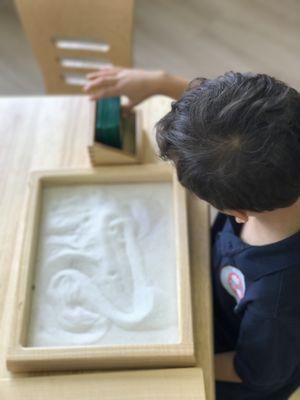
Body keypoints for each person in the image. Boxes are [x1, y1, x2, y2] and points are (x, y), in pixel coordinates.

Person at [83, 68, 300, 399]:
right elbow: (237, 125)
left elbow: (257, 372)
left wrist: (173, 363)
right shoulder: (284, 150)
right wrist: (161, 82)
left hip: (238, 364)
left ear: (237, 214)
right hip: (221, 299)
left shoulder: (276, 298)